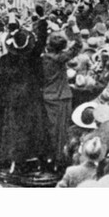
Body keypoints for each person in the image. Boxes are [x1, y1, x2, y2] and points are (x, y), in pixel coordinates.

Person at [40, 29, 82, 169]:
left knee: (48, 129)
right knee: (62, 130)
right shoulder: (61, 59)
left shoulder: (42, 59)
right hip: (62, 97)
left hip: (47, 96)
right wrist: (75, 29)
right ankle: (60, 158)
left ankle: (49, 157)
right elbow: (77, 46)